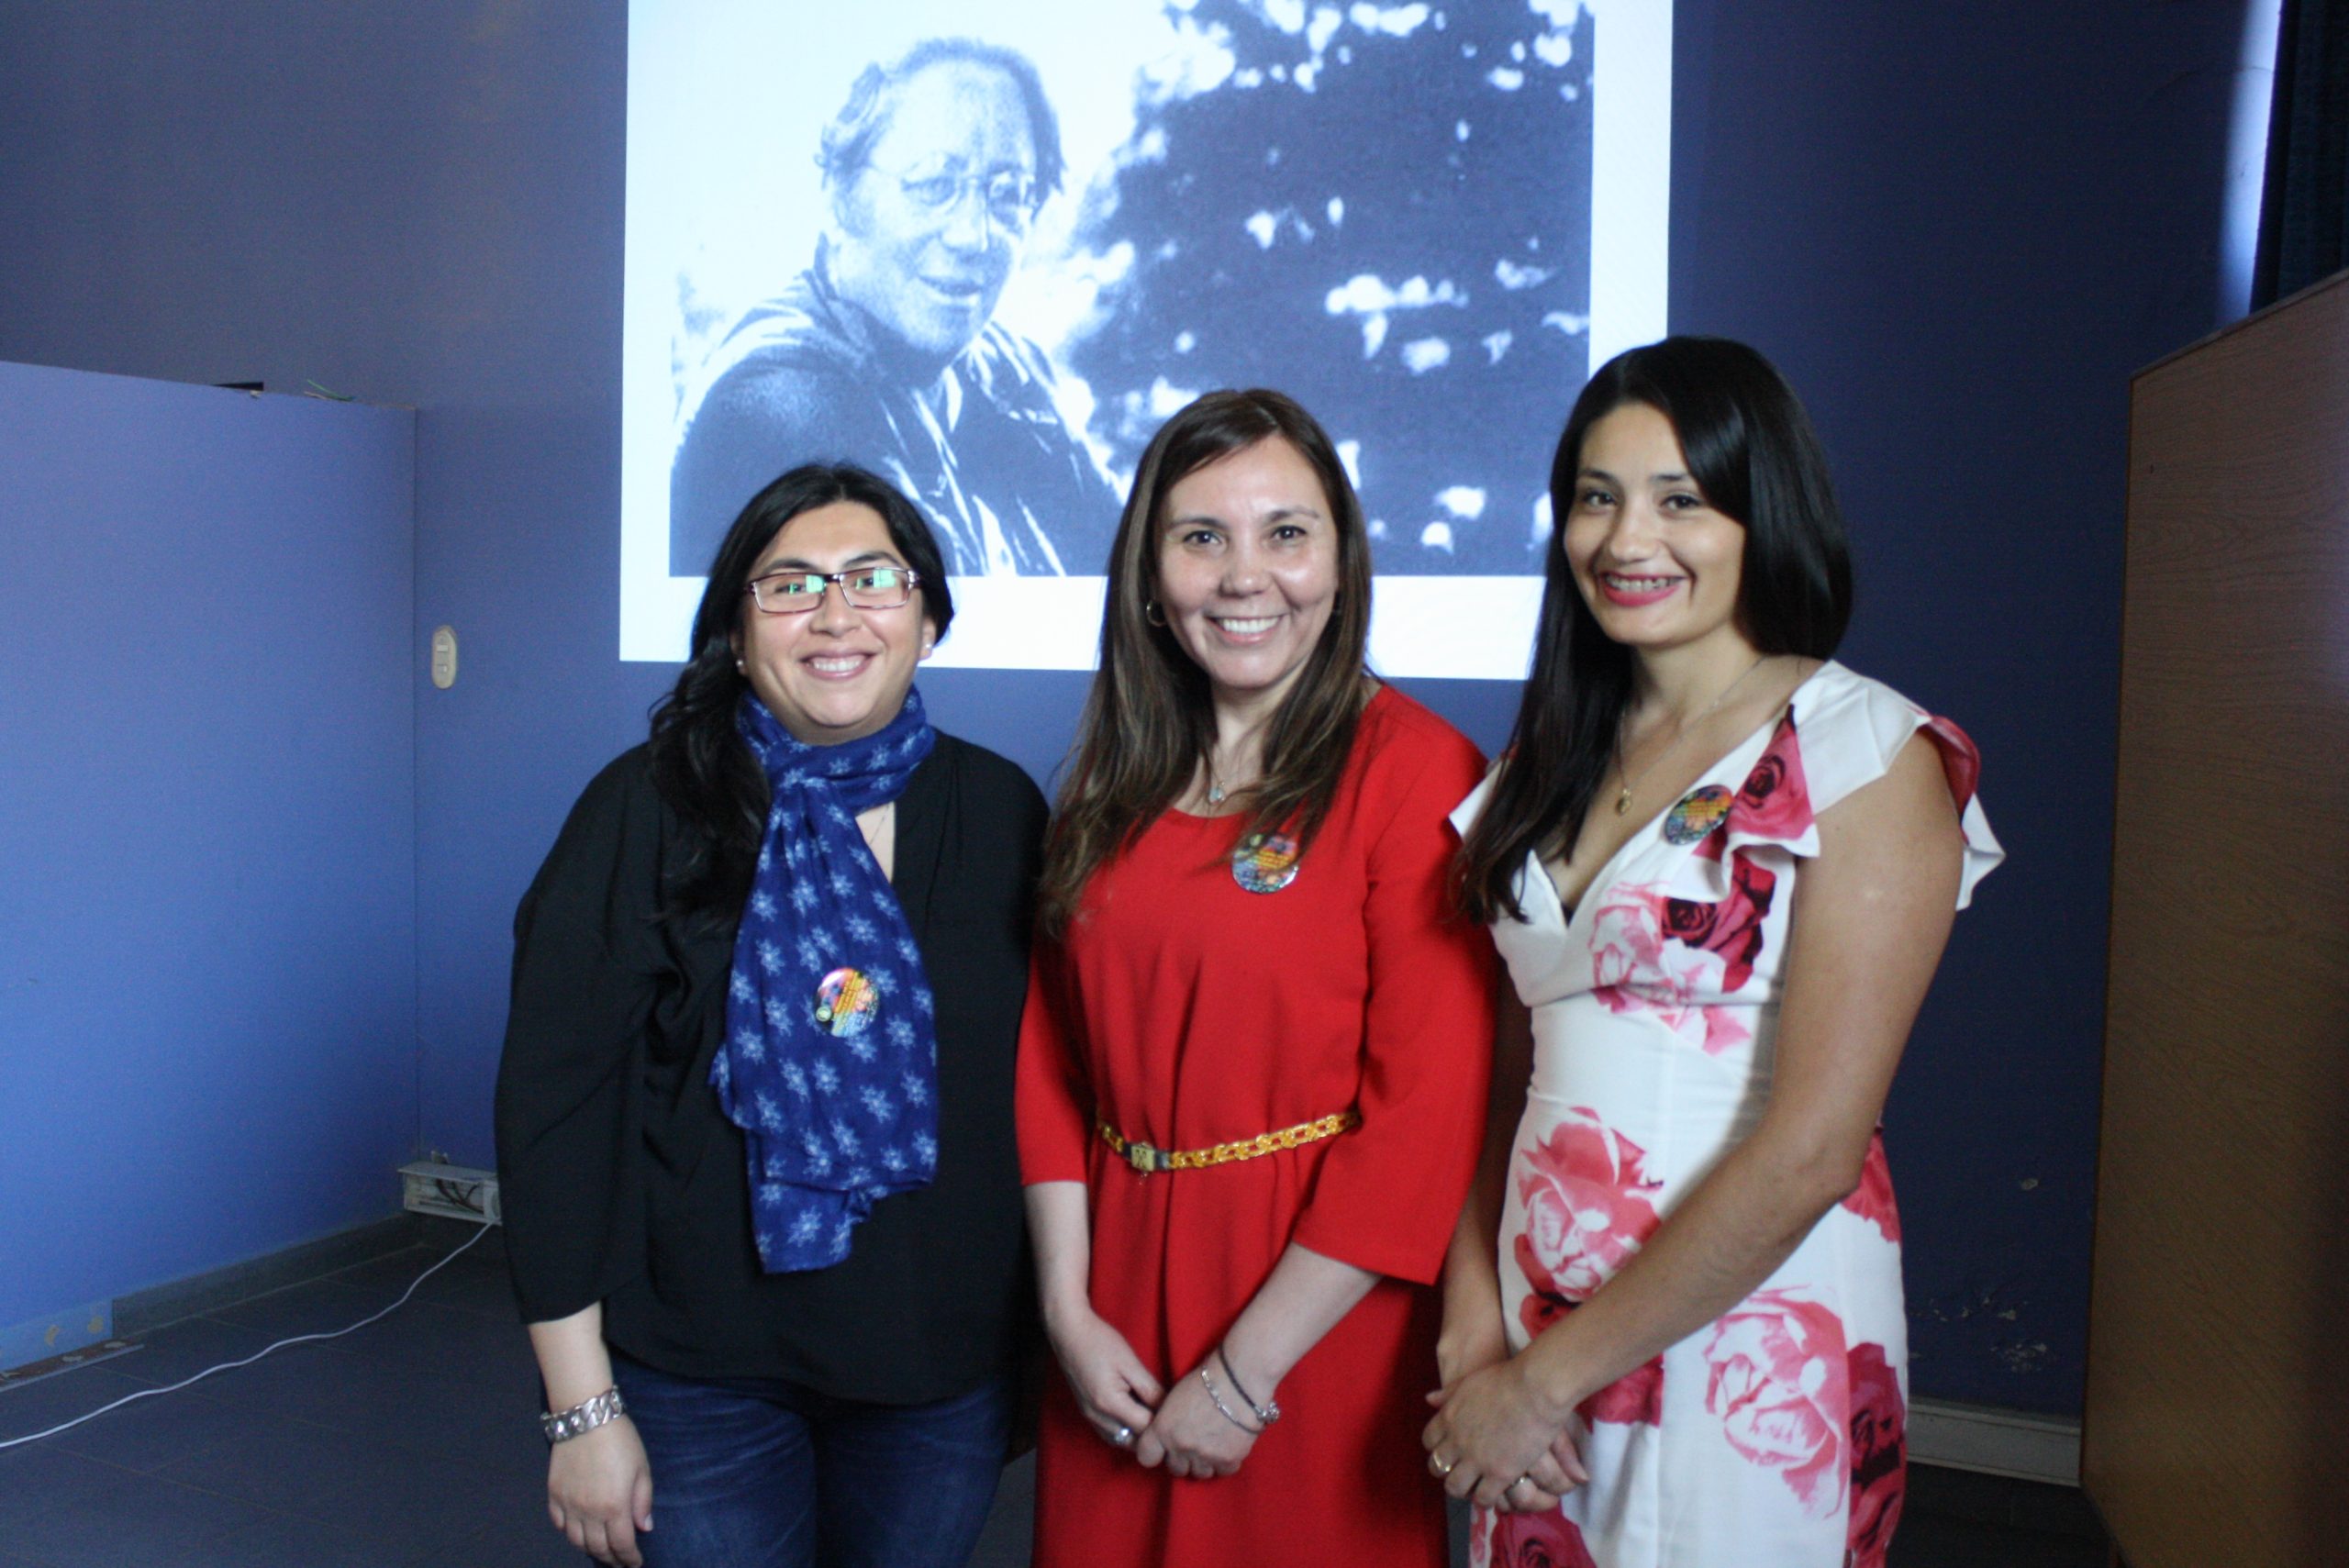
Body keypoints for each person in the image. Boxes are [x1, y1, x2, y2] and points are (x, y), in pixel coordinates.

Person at [1426, 337, 2005, 1568]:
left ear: (1762, 513)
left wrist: (1541, 1382)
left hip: (1749, 1335)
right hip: (1534, 1337)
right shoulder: (1538, 769)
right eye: (1597, 497)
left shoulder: (1867, 753)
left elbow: (1811, 1154)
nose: (1628, 540)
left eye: (1680, 499)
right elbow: (1511, 1073)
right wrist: (1474, 1329)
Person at [495, 463, 1047, 1568]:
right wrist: (580, 1408)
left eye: (873, 578)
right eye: (789, 583)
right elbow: (554, 1118)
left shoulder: (1001, 810)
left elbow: (1037, 1096)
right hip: (699, 1375)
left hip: (933, 1374)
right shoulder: (641, 808)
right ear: (737, 632)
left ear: (927, 618)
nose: (835, 612)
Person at [1014, 387, 1497, 1565]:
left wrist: (1244, 1373)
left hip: (1313, 1309)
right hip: (1113, 1292)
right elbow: (1046, 1065)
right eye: (1200, 537)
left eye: (1286, 533)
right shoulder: (1105, 781)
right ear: (1147, 573)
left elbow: (1425, 1119)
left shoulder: (1417, 771)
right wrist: (1068, 1314)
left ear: (1341, 561)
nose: (1245, 576)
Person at [668, 38, 1120, 579]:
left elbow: (1122, 564)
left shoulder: (1003, 365)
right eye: (933, 184)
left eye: (1007, 193)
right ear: (839, 199)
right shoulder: (779, 404)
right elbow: (928, 630)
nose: (973, 236)